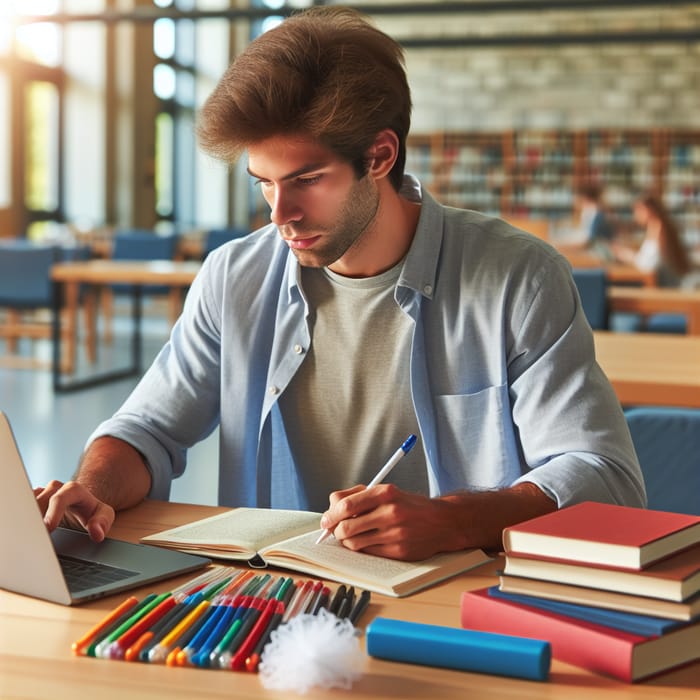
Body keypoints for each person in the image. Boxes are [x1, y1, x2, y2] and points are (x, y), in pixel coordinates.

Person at [36, 7, 645, 562]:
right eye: (264, 183)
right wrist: (91, 491)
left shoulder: (520, 278)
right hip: (272, 602)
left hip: (461, 603)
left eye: (306, 180)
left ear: (380, 156)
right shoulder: (234, 277)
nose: (280, 214)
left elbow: (605, 478)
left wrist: (456, 519)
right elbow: (145, 431)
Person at [612, 191, 691, 287]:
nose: (635, 215)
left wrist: (629, 256)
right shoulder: (657, 227)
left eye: (637, 210)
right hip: (663, 282)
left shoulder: (659, 229)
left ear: (648, 210)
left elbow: (650, 266)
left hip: (664, 286)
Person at [572, 183, 615, 256]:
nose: (575, 201)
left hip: (600, 254)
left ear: (585, 198)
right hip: (596, 252)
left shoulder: (598, 214)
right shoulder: (589, 211)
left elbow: (589, 241)